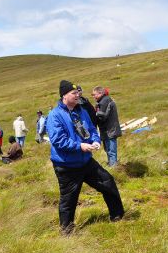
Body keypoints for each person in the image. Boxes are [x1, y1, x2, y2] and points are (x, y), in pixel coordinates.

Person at [48, 80, 125, 235]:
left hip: (86, 161)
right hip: (67, 166)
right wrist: (80, 146)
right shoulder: (55, 115)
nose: (78, 95)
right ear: (64, 95)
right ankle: (67, 231)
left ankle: (117, 216)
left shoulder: (82, 111)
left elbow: (91, 129)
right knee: (69, 200)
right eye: (74, 93)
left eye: (78, 93)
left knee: (107, 182)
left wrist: (95, 140)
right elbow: (58, 140)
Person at [92, 86, 122, 167]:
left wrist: (95, 114)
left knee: (111, 150)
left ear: (100, 93)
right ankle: (111, 164)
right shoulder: (104, 100)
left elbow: (102, 116)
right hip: (107, 130)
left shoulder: (104, 101)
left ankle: (113, 166)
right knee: (108, 150)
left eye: (94, 94)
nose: (93, 96)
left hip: (110, 130)